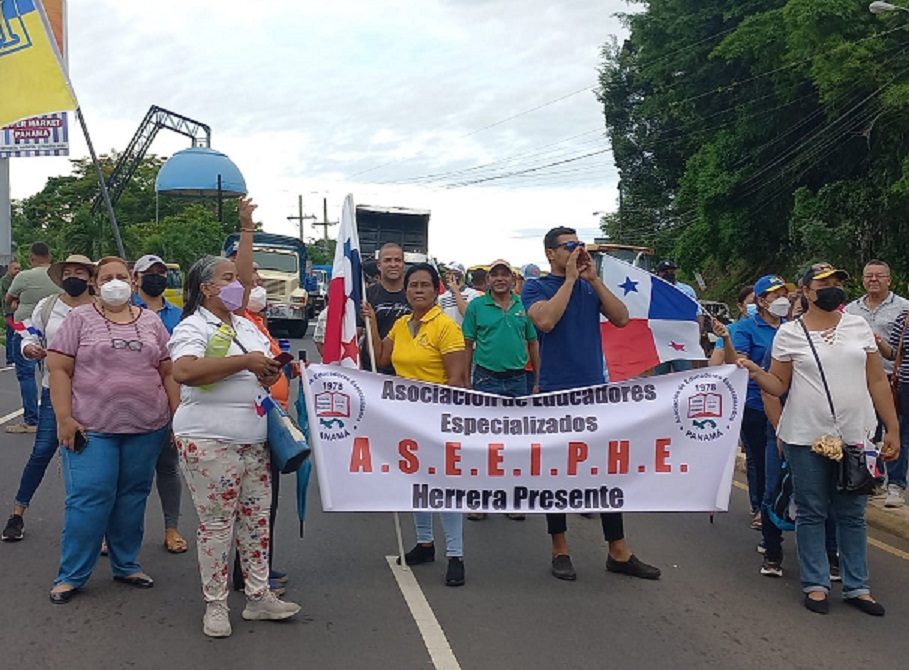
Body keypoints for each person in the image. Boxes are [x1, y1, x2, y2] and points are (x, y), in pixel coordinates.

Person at [739, 262, 899, 616]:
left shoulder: (858, 327)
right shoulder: (790, 334)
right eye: (824, 282)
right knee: (812, 511)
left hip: (857, 435)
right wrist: (754, 372)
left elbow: (876, 381)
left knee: (852, 513)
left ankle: (858, 587)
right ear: (806, 291)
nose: (833, 288)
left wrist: (892, 427)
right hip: (805, 436)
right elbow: (779, 385)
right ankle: (816, 584)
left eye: (837, 281)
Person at [169, 255, 300, 638]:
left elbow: (259, 367)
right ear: (206, 288)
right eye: (228, 279)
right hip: (209, 438)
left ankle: (258, 596)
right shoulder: (194, 326)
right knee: (216, 525)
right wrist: (246, 362)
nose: (238, 285)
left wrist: (269, 370)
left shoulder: (246, 326)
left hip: (253, 436)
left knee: (257, 520)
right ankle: (216, 603)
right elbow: (185, 371)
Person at [523, 226, 660, 582]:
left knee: (603, 471)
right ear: (550, 253)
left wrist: (594, 280)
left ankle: (618, 550)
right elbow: (546, 321)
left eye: (579, 245)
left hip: (594, 390)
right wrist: (569, 281)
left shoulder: (588, 285)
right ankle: (560, 548)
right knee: (556, 472)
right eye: (569, 246)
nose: (576, 250)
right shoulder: (537, 287)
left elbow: (621, 317)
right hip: (557, 390)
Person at [44, 256, 179, 604]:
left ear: (133, 283)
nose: (114, 282)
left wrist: (177, 418)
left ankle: (126, 564)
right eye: (107, 277)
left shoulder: (150, 322)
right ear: (95, 284)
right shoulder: (79, 319)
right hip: (92, 427)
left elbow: (168, 371)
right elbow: (59, 369)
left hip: (147, 427)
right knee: (89, 498)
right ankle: (71, 575)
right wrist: (64, 417)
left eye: (121, 276)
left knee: (133, 497)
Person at [362, 263, 469, 587]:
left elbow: (458, 379)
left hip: (436, 418)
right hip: (405, 417)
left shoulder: (446, 327)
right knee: (415, 483)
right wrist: (370, 324)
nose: (418, 290)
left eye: (425, 285)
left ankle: (456, 554)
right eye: (413, 286)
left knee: (444, 487)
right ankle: (425, 542)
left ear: (436, 289)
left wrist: (442, 417)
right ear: (406, 291)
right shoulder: (402, 323)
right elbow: (381, 359)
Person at [0, 255, 95, 543]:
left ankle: (97, 525)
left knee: (94, 458)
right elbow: (30, 333)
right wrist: (30, 348)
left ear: (91, 277)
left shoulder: (102, 308)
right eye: (68, 272)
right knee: (42, 450)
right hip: (53, 389)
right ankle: (17, 512)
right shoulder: (48, 306)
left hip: (96, 393)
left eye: (80, 272)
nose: (73, 277)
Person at [229, 197, 291, 596]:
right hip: (246, 423)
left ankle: (254, 569)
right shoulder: (232, 315)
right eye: (248, 277)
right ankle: (247, 575)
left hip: (269, 418)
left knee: (263, 503)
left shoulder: (256, 323)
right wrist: (247, 229)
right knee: (252, 504)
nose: (255, 282)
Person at [462, 258, 539, 522]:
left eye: (504, 274)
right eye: (494, 275)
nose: (500, 279)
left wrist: (538, 379)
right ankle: (480, 499)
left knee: (515, 443)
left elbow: (533, 344)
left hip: (518, 380)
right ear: (488, 281)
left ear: (512, 279)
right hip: (486, 378)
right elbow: (468, 344)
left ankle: (512, 499)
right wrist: (464, 378)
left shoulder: (523, 306)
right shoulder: (476, 307)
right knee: (484, 441)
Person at [131, 254, 187, 554]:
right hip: (133, 403)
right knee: (128, 474)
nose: (156, 277)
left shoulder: (179, 315)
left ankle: (172, 528)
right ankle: (114, 532)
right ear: (135, 278)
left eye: (160, 272)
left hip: (171, 399)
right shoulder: (124, 311)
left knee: (167, 468)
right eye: (149, 273)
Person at [845, 260, 909, 508]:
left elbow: (898, 352)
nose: (874, 280)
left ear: (889, 280)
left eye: (879, 276)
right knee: (867, 431)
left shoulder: (904, 309)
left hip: (892, 380)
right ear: (861, 280)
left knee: (897, 431)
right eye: (869, 276)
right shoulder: (851, 310)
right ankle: (872, 479)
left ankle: (896, 484)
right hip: (857, 379)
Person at [5, 243, 58, 433]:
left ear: (32, 258)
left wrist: (17, 302)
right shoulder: (57, 276)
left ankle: (31, 420)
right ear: (50, 256)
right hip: (54, 328)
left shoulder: (24, 276)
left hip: (26, 329)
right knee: (56, 373)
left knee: (26, 375)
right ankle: (57, 415)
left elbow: (8, 299)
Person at [365, 243, 410, 374]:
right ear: (379, 265)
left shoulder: (414, 294)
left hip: (407, 369)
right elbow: (357, 334)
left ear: (403, 264)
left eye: (397, 260)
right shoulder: (367, 295)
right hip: (373, 368)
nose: (393, 264)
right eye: (388, 260)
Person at [652, 259, 699, 375]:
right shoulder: (651, 290)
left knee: (685, 374)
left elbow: (698, 313)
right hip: (660, 341)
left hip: (681, 339)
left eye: (671, 271)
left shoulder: (687, 290)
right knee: (660, 377)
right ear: (658, 273)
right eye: (665, 271)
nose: (669, 274)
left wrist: (697, 335)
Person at [707, 284, 754, 366]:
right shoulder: (729, 330)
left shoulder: (779, 326)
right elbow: (715, 363)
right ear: (740, 306)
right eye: (753, 303)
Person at [1, 259, 21, 366]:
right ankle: (10, 358)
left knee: (20, 333)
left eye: (19, 268)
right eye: (15, 268)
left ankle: (18, 357)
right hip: (10, 312)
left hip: (18, 311)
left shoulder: (20, 279)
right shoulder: (6, 280)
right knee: (10, 334)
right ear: (9, 269)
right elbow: (13, 293)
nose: (17, 271)